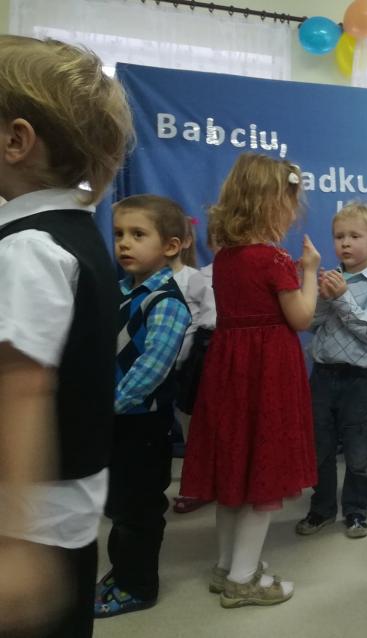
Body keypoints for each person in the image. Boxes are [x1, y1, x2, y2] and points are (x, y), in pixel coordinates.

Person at [0, 34, 132, 637]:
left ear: (16, 140)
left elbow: (21, 389)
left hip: (27, 520)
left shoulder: (29, 249)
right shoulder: (73, 232)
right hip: (63, 510)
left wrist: (14, 547)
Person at [180, 153, 319, 607]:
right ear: (273, 203)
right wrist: (310, 271)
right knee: (266, 472)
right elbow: (301, 317)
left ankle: (226, 566)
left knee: (234, 469)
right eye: (291, 203)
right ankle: (243, 579)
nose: (294, 213)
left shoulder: (225, 258)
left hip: (230, 372)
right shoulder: (274, 259)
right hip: (269, 374)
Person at [96, 195, 192, 617]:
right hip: (117, 420)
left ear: (170, 246)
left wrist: (109, 404)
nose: (124, 243)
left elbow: (152, 367)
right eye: (119, 233)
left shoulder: (165, 301)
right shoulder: (121, 292)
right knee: (120, 506)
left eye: (138, 234)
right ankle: (121, 572)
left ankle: (138, 587)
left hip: (143, 425)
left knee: (139, 510)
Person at [295, 203, 367, 539]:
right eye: (339, 237)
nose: (346, 243)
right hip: (323, 376)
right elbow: (311, 322)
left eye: (355, 236)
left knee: (359, 450)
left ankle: (356, 510)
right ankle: (321, 508)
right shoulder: (329, 279)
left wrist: (341, 298)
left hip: (359, 381)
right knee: (320, 447)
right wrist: (318, 292)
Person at [172, 220, 217, 514]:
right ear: (210, 243)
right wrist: (183, 357)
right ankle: (199, 482)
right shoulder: (201, 277)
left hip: (238, 347)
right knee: (193, 416)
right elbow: (192, 319)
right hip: (205, 349)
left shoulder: (255, 272)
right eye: (219, 238)